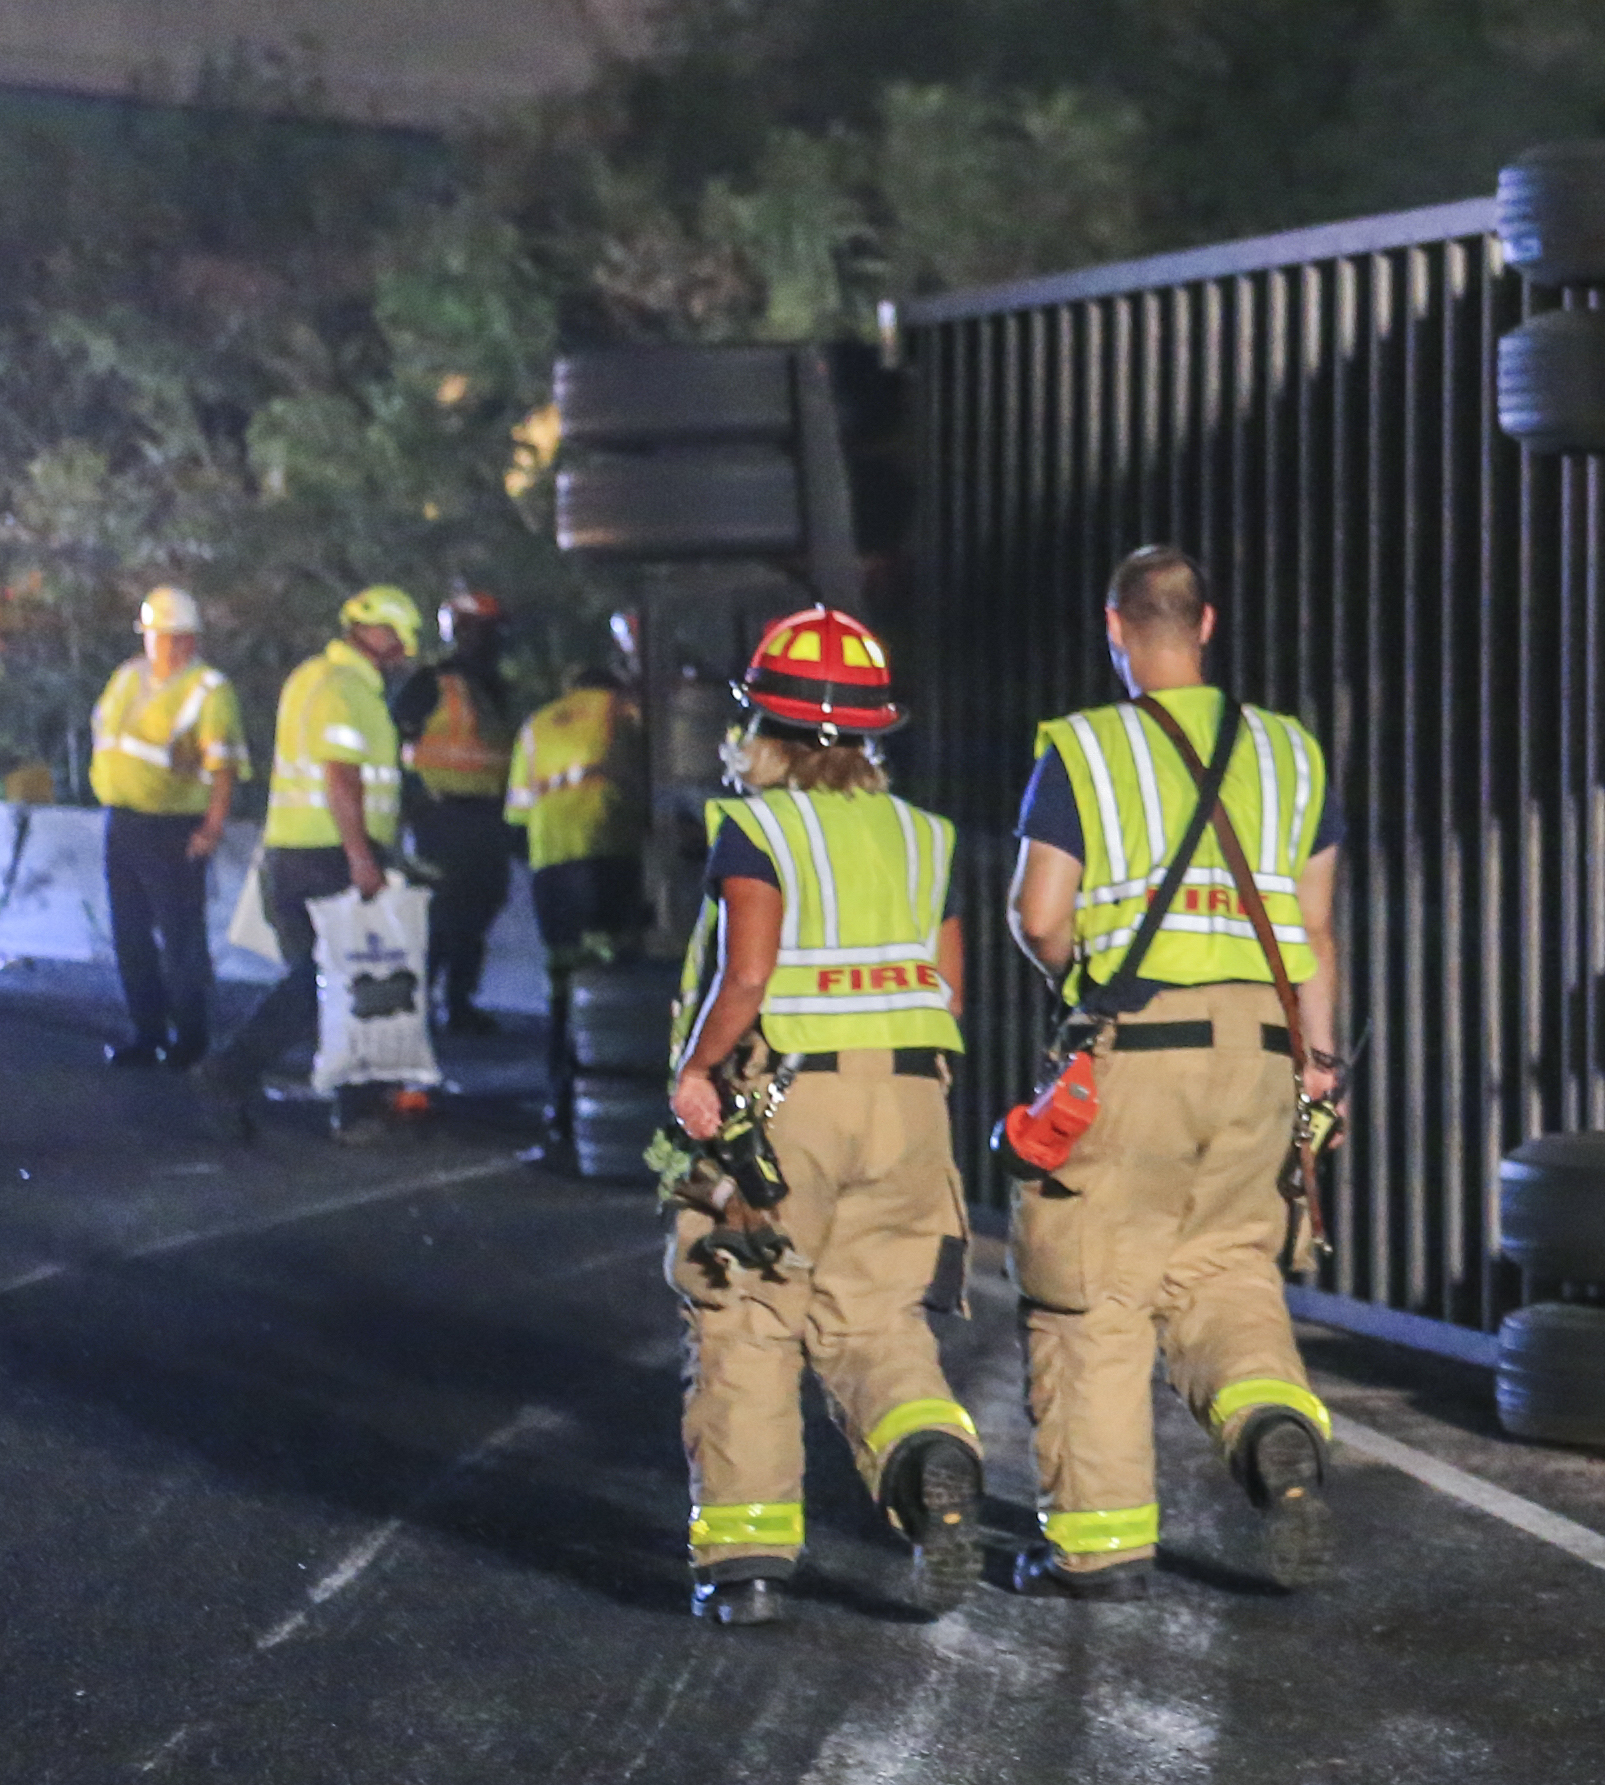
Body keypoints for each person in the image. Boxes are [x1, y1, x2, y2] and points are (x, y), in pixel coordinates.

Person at [1003, 545, 1345, 1598]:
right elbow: (1317, 929)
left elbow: (1039, 915)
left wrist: (1083, 987)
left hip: (1137, 1049)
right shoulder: (1292, 753)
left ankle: (1101, 1549)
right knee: (1227, 1266)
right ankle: (1272, 1426)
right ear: (1205, 625)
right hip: (1267, 1058)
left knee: (1097, 1288)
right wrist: (1320, 1073)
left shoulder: (1086, 752)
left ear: (1115, 628)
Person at [662, 607, 989, 1626]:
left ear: (763, 726)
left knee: (750, 1316)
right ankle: (926, 1448)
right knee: (876, 1315)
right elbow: (949, 989)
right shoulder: (924, 836)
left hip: (782, 1109)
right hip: (910, 1105)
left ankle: (751, 1563)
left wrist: (695, 1069)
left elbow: (747, 975)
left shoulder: (755, 827)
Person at [210, 584, 422, 1136]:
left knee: (330, 983)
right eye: (399, 637)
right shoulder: (345, 688)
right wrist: (362, 859)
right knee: (338, 983)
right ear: (373, 632)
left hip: (294, 852)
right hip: (332, 856)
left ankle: (350, 1104)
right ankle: (236, 1070)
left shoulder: (311, 678)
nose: (405, 650)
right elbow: (340, 775)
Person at [84, 586, 243, 1067]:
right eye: (158, 635)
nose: (167, 645)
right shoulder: (127, 677)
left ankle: (191, 1039)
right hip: (125, 822)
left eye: (176, 637)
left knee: (180, 939)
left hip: (175, 827)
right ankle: (147, 1033)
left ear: (192, 640)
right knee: (130, 934)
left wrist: (212, 827)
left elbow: (225, 766)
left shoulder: (209, 689)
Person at [511, 648, 650, 1112]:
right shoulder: (622, 709)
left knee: (563, 975)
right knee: (612, 968)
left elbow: (516, 811)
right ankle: (613, 1079)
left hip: (550, 862)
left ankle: (561, 1093)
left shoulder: (536, 724)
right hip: (608, 851)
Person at [395, 588, 520, 1033]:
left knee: (479, 908)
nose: (488, 640)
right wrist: (414, 806)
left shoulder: (496, 689)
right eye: (481, 630)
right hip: (442, 818)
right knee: (442, 913)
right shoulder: (431, 684)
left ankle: (459, 1000)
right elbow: (395, 744)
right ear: (461, 631)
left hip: (487, 818)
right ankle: (421, 999)